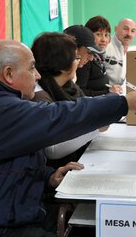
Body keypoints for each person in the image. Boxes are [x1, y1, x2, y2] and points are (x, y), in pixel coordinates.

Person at [0, 40, 136, 237]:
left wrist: (48, 176)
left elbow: (4, 165)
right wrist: (123, 103)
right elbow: (59, 116)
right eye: (31, 68)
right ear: (9, 74)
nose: (37, 75)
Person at [31, 32, 98, 168]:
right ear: (62, 65)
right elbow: (52, 150)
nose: (78, 62)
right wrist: (97, 124)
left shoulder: (68, 86)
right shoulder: (40, 97)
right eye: (75, 58)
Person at [76, 16, 123, 96]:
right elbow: (80, 92)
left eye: (106, 35)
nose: (104, 40)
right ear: (89, 35)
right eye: (99, 34)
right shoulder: (85, 61)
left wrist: (110, 89)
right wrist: (107, 92)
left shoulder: (98, 55)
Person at [104, 18, 136, 85]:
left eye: (132, 31)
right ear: (116, 29)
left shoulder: (133, 53)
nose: (129, 34)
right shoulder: (105, 45)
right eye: (125, 29)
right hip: (106, 92)